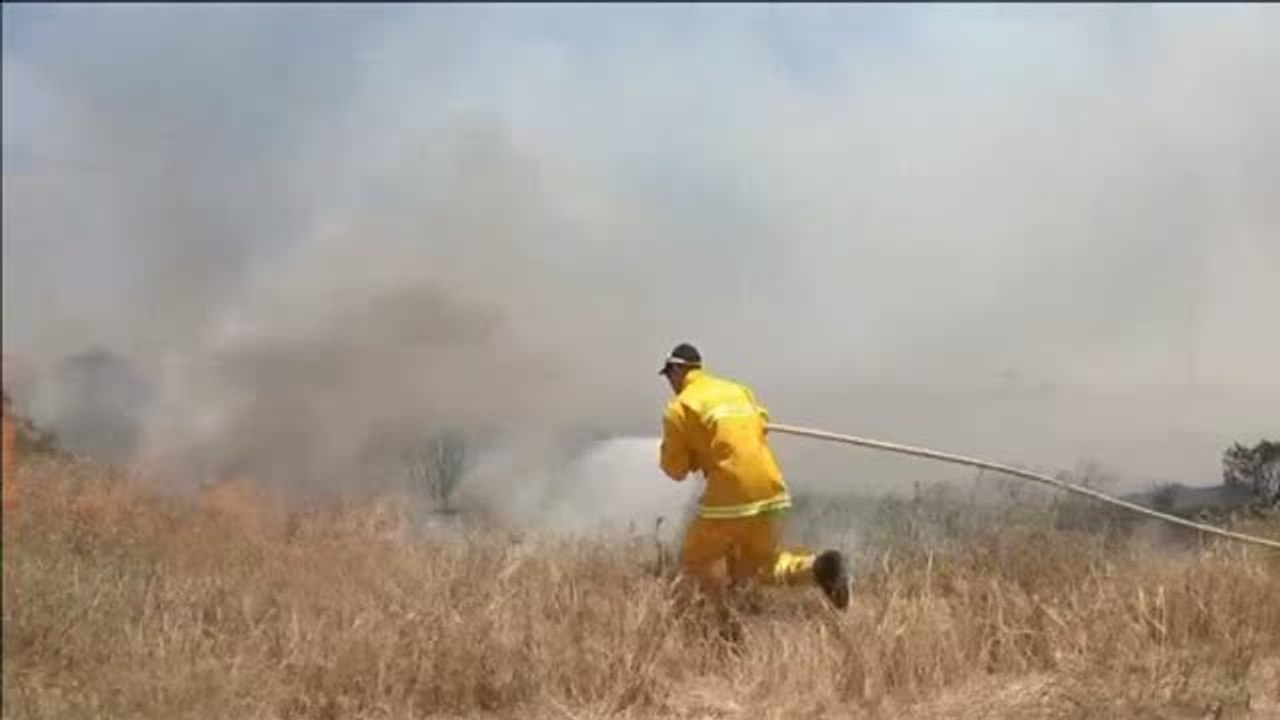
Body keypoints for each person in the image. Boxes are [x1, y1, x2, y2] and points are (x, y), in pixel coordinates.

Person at [657, 342, 851, 612]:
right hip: (771, 489)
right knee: (762, 566)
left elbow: (674, 470)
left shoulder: (679, 408)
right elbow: (759, 422)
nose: (669, 381)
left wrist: (692, 456)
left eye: (669, 374)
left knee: (694, 558)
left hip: (732, 493)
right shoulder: (738, 391)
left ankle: (719, 622)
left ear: (678, 370)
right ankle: (819, 568)